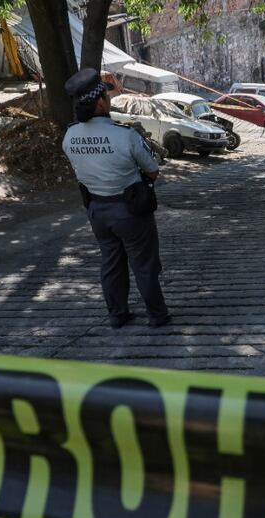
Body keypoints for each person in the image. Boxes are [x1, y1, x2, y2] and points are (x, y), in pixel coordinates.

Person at [62, 68, 172, 329]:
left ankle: (117, 315)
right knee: (144, 264)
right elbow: (153, 171)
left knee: (111, 264)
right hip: (130, 210)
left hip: (97, 211)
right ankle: (157, 315)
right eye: (107, 97)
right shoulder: (125, 136)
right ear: (100, 102)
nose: (109, 100)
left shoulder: (69, 136)